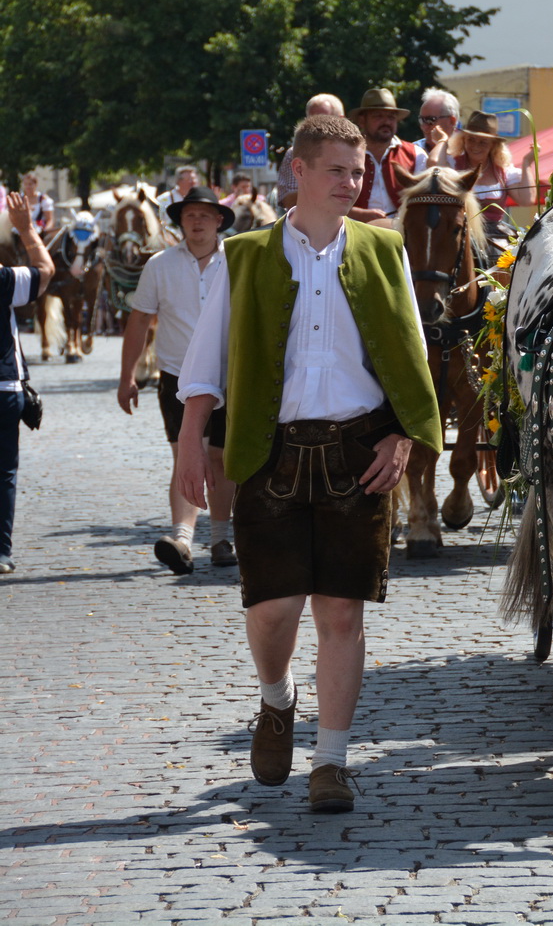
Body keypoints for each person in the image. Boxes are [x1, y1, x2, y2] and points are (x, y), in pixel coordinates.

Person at [175, 114, 441, 813]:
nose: (351, 183)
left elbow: (410, 356)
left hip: (360, 451)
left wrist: (402, 436)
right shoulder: (245, 256)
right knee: (272, 610)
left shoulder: (384, 250)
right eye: (336, 171)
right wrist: (190, 444)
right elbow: (204, 363)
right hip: (271, 452)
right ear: (299, 170)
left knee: (342, 612)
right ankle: (276, 697)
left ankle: (331, 761)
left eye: (357, 172)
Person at [120, 186, 237, 574]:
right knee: (185, 455)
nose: (197, 221)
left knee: (221, 457)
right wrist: (127, 376)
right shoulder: (160, 264)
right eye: (190, 215)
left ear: (219, 220)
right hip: (177, 375)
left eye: (204, 215)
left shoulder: (237, 260)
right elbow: (140, 319)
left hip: (229, 373)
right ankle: (182, 539)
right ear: (180, 222)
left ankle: (220, 538)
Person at [0, 189, 53, 574]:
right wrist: (26, 229)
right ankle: (1, 551)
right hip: (4, 387)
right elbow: (45, 272)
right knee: (3, 472)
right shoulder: (3, 278)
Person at [445, 111, 525, 240]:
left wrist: (527, 164)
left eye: (483, 142)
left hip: (496, 236)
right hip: (460, 234)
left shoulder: (504, 172)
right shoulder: (452, 164)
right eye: (471, 140)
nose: (475, 146)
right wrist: (442, 142)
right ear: (463, 140)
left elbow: (526, 200)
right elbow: (434, 166)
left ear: (493, 144)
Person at [350, 88, 426, 221]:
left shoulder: (416, 154)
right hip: (354, 230)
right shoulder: (347, 154)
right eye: (378, 116)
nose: (386, 122)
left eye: (391, 117)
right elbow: (328, 200)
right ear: (362, 121)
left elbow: (427, 200)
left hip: (402, 231)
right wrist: (359, 215)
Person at [275, 93, 345, 210]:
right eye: (312, 120)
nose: (317, 127)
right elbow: (289, 201)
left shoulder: (356, 153)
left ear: (341, 120)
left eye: (323, 120)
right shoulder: (295, 153)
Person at [415, 88, 461, 166]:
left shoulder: (468, 153)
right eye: (422, 120)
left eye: (431, 120)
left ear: (452, 121)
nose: (424, 127)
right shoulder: (413, 152)